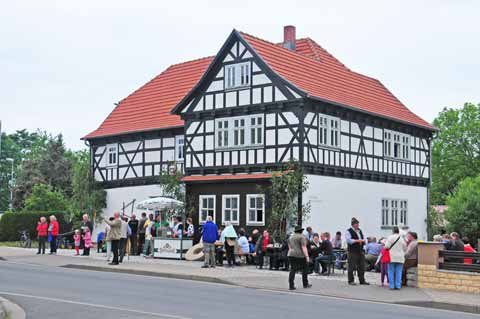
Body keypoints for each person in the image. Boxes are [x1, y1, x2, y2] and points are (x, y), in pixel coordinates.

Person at [345, 217, 369, 285]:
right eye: (357, 224)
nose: (358, 226)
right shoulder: (348, 231)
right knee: (351, 266)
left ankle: (362, 280)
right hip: (352, 251)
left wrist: (364, 243)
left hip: (360, 250)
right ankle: (351, 280)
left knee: (362, 266)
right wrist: (358, 241)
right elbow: (349, 241)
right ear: (353, 224)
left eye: (358, 224)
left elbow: (363, 238)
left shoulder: (359, 230)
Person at [288, 226, 311, 290]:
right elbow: (304, 247)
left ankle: (291, 285)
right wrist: (307, 256)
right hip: (299, 255)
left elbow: (289, 246)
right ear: (301, 231)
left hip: (291, 254)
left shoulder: (291, 237)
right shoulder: (302, 237)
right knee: (305, 268)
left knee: (293, 269)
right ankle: (305, 284)